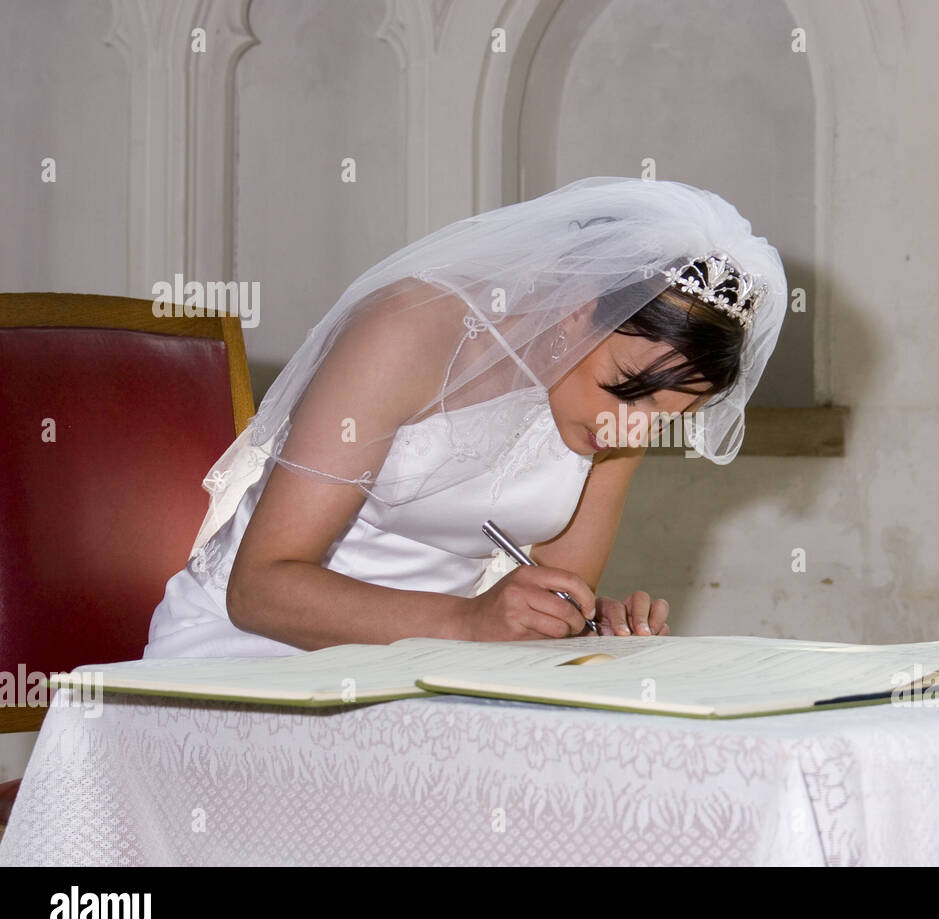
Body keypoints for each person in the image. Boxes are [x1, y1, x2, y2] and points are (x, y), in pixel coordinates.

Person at [144, 177, 786, 658]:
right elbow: (261, 591)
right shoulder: (407, 331)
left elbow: (549, 599)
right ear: (576, 310)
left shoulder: (626, 402)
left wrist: (583, 623)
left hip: (437, 669)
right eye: (628, 394)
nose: (634, 433)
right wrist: (465, 622)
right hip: (251, 655)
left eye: (668, 418)